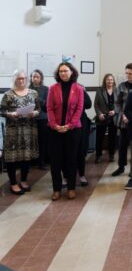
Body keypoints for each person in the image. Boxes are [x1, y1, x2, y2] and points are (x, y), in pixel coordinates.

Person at [47, 62, 84, 200]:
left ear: (71, 72)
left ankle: (71, 188)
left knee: (71, 159)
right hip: (55, 130)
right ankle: (56, 189)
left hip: (73, 130)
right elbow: (49, 108)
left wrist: (69, 125)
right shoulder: (53, 88)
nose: (63, 73)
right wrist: (54, 125)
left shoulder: (79, 88)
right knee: (56, 160)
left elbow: (79, 109)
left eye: (65, 70)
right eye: (61, 71)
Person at [0, 70, 40, 195]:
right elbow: (1, 111)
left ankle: (23, 180)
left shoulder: (33, 93)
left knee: (26, 156)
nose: (21, 81)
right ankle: (13, 183)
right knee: (12, 157)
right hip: (13, 130)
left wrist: (34, 113)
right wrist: (10, 114)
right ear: (15, 80)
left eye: (23, 78)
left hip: (29, 129)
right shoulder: (8, 94)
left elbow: (39, 109)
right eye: (19, 79)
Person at [112, 63, 132, 176]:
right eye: (126, 73)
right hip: (124, 121)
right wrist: (122, 115)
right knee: (122, 146)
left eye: (130, 73)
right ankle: (121, 167)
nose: (128, 75)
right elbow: (117, 103)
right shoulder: (121, 86)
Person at [94, 73, 117, 163]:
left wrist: (115, 111)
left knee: (112, 138)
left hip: (113, 117)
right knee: (99, 138)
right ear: (105, 81)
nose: (110, 81)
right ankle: (98, 155)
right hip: (102, 117)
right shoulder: (100, 90)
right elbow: (96, 104)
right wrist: (99, 114)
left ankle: (111, 155)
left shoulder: (117, 90)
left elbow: (119, 104)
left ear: (113, 81)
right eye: (108, 79)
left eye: (111, 79)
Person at [29, 69, 49, 169]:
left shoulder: (46, 89)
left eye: (37, 77)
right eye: (33, 76)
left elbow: (47, 104)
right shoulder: (27, 89)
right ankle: (31, 162)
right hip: (30, 118)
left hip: (42, 118)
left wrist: (36, 97)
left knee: (42, 141)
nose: (35, 78)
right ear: (31, 78)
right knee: (30, 140)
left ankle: (42, 162)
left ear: (41, 78)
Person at [76, 88, 92, 187]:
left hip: (81, 122)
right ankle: (65, 177)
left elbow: (88, 104)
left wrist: (77, 100)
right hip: (66, 122)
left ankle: (81, 175)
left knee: (81, 151)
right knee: (67, 152)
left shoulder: (80, 89)